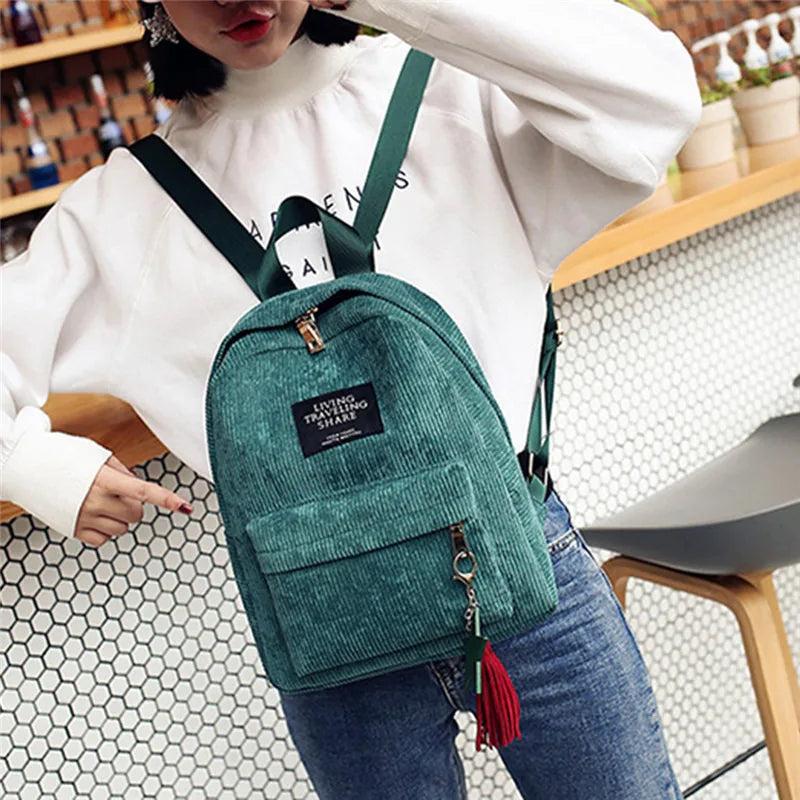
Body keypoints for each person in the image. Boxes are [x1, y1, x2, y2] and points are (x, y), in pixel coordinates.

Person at [1, 1, 701, 797]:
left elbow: (656, 99)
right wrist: (31, 464)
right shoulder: (126, 209)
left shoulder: (448, 85)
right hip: (327, 619)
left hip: (522, 560)